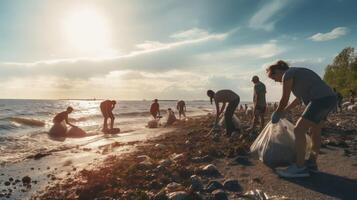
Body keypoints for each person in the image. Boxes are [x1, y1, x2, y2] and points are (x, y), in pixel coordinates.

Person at [267, 60, 337, 178]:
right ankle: (312, 163)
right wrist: (285, 111)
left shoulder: (287, 74)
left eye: (274, 78)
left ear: (278, 71)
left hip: (319, 100)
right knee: (315, 132)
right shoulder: (297, 73)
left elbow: (284, 98)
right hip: (329, 98)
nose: (276, 81)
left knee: (298, 130)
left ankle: (300, 168)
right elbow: (298, 99)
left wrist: (277, 112)